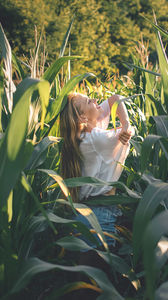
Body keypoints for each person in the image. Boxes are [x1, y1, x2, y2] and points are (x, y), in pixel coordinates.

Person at [59, 93, 134, 248]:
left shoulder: (82, 136)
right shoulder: (97, 139)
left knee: (85, 269)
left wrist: (124, 122)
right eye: (89, 101)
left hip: (84, 212)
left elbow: (115, 98)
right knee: (98, 268)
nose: (95, 100)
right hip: (98, 216)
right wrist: (126, 124)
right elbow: (129, 132)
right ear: (83, 118)